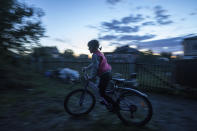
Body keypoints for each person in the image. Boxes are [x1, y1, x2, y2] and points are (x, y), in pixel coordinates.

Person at [83, 39, 116, 111]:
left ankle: (115, 107)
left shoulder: (95, 55)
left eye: (89, 47)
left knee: (102, 93)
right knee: (99, 88)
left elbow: (96, 67)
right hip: (107, 73)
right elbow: (94, 63)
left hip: (104, 75)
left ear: (94, 47)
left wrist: (91, 77)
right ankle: (105, 101)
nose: (88, 49)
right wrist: (87, 68)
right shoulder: (100, 53)